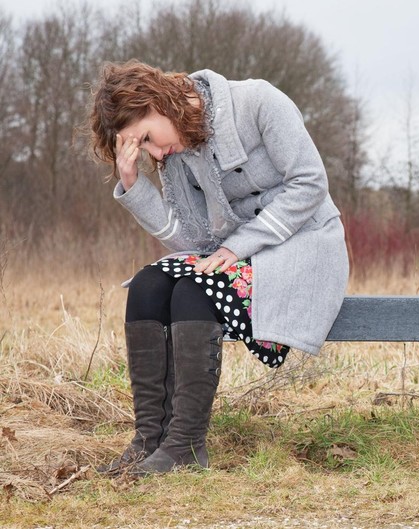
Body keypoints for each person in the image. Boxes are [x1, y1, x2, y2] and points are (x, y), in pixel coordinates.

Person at [88, 60, 349, 475]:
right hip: (238, 256)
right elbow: (192, 242)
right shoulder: (176, 154)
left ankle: (188, 445)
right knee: (148, 285)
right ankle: (151, 439)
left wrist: (239, 244)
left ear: (157, 102)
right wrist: (135, 185)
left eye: (149, 139)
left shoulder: (258, 102)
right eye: (144, 150)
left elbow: (311, 184)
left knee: (198, 288)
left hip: (304, 245)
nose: (156, 153)